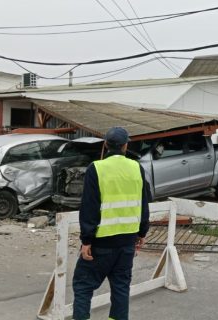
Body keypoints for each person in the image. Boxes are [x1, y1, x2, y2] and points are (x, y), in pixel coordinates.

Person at [72, 127, 151, 320]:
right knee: (121, 288)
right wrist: (142, 233)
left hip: (101, 242)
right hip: (126, 242)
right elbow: (143, 203)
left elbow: (89, 207)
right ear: (126, 145)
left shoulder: (96, 169)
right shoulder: (136, 168)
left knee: (83, 286)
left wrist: (86, 240)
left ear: (106, 144)